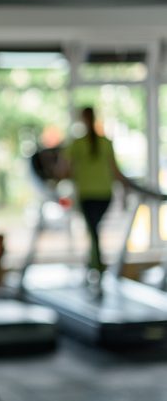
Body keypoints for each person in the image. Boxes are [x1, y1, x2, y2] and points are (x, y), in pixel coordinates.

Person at [60, 107, 122, 278]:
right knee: (93, 229)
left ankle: (97, 264)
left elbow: (64, 171)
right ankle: (96, 263)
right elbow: (116, 171)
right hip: (103, 193)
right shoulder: (102, 142)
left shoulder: (77, 144)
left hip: (89, 194)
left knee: (93, 229)